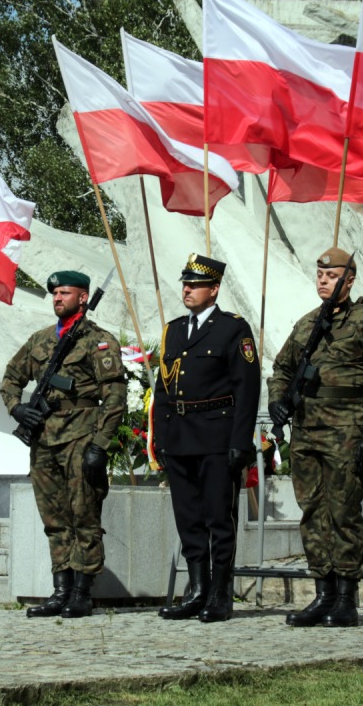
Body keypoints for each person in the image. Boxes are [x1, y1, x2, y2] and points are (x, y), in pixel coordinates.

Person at [267, 248, 363, 628]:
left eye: (330, 275)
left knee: (343, 513)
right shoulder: (307, 324)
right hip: (306, 431)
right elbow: (281, 368)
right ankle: (322, 593)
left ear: (349, 279)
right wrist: (277, 400)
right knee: (312, 513)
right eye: (319, 274)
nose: (322, 280)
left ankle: (345, 598)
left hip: (346, 430)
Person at [0, 270, 126, 618]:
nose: (57, 298)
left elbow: (115, 397)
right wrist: (18, 408)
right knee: (54, 518)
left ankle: (83, 593)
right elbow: (11, 378)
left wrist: (99, 445)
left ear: (83, 298)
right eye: (54, 293)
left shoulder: (97, 341)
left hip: (80, 435)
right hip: (43, 439)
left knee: (83, 515)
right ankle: (60, 590)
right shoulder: (40, 340)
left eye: (65, 293)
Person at [152, 254, 261, 623]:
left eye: (195, 285)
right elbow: (164, 389)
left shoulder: (232, 329)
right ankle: (197, 589)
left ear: (213, 290)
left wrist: (240, 440)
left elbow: (247, 388)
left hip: (217, 434)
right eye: (185, 283)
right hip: (181, 436)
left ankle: (220, 594)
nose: (187, 289)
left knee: (219, 517)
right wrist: (162, 439)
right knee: (188, 519)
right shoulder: (174, 330)